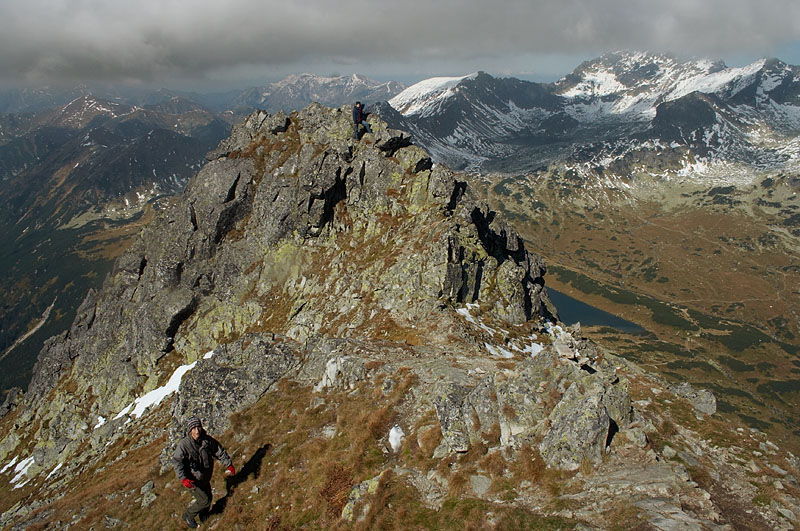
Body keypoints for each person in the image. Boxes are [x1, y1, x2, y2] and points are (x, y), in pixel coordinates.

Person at [172, 416, 235, 528]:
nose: (197, 431)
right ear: (189, 430)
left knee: (209, 498)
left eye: (198, 427)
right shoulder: (184, 445)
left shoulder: (207, 440)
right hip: (191, 480)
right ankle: (188, 515)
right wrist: (183, 479)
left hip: (204, 477)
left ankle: (204, 517)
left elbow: (218, 451)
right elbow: (177, 462)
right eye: (194, 428)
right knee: (204, 501)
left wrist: (229, 465)